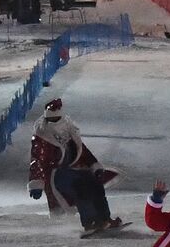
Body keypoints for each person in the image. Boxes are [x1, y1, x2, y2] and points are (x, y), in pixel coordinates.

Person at [27, 98, 121, 233]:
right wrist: (37, 182)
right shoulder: (43, 135)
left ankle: (104, 219)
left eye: (56, 119)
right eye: (51, 120)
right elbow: (37, 159)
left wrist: (95, 166)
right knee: (81, 187)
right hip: (57, 174)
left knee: (95, 183)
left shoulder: (69, 131)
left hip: (73, 169)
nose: (54, 122)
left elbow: (83, 151)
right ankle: (90, 222)